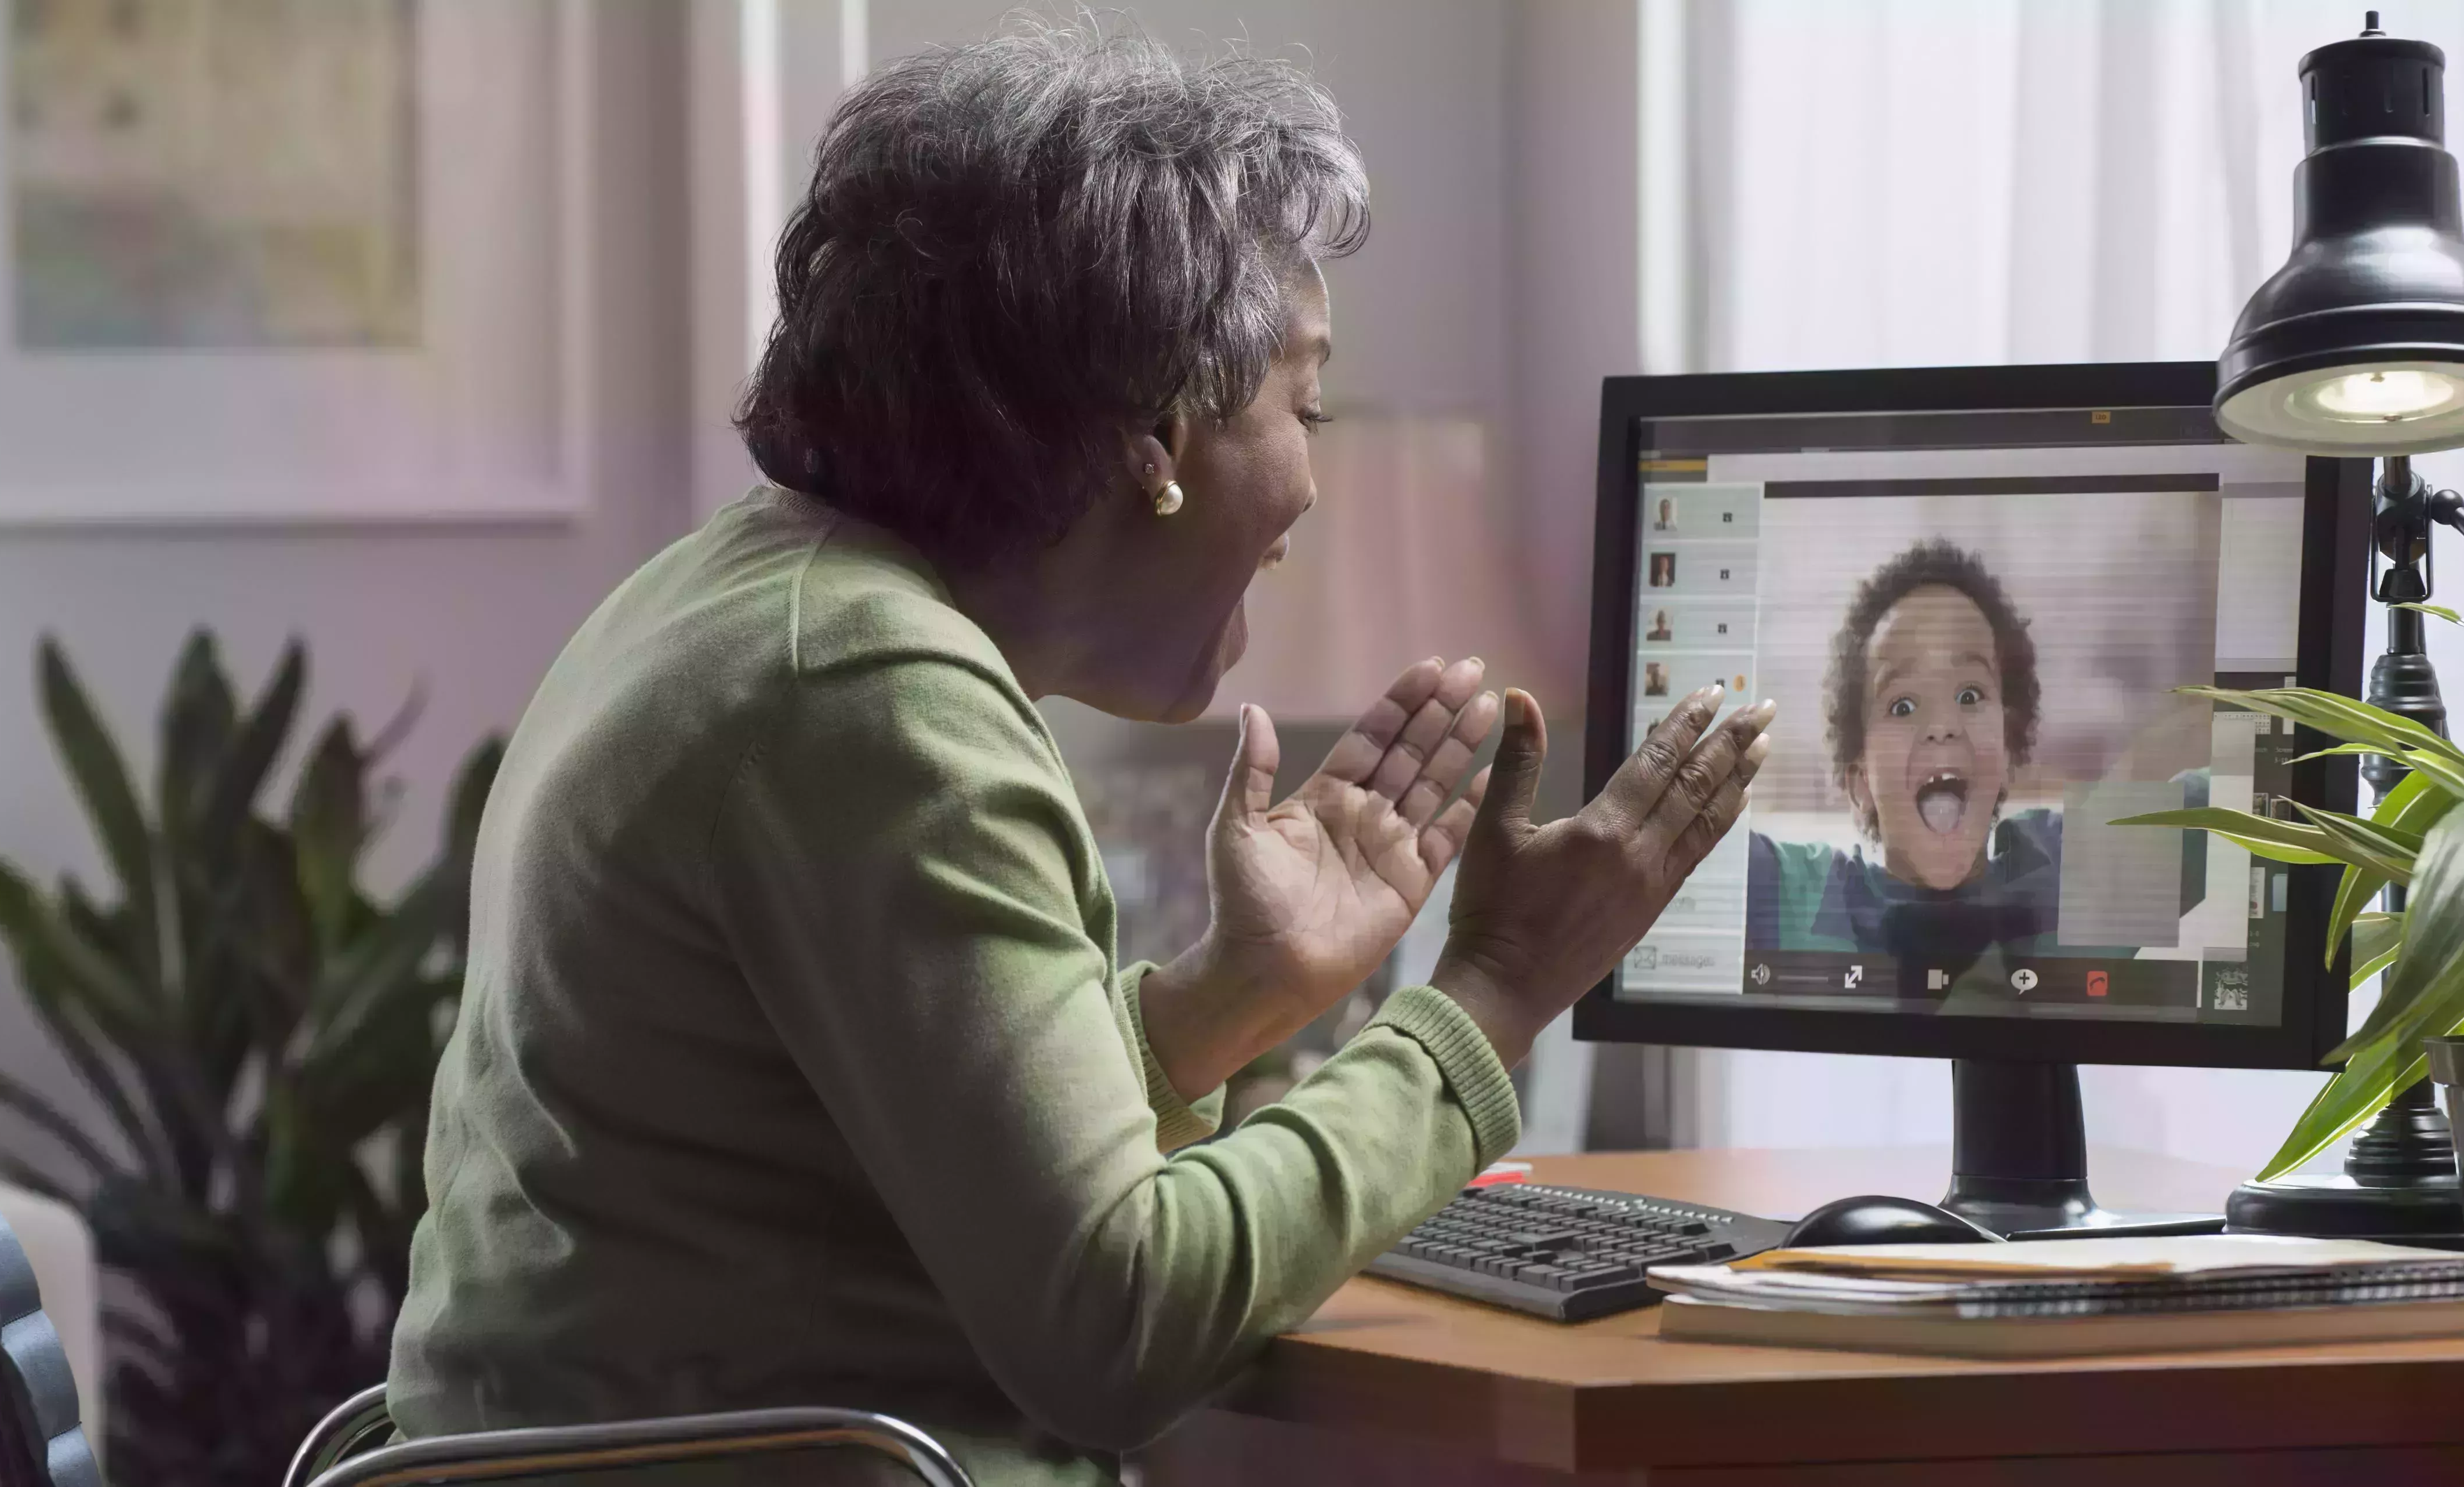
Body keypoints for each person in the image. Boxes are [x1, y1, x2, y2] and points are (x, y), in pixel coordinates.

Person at [388, 24, 1772, 1487]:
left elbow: (919, 1139)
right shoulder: (869, 694)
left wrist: (1232, 996)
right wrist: (1489, 994)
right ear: (1156, 431)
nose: (1308, 487)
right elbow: (1117, 1325)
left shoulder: (747, 601)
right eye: (1302, 406)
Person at [1745, 540, 2193, 980]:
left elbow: (2243, 795)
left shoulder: (2070, 883)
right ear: (1861, 782)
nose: (1943, 725)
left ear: (2008, 749)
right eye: (1903, 705)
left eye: (1969, 694)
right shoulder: (1794, 898)